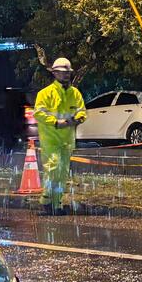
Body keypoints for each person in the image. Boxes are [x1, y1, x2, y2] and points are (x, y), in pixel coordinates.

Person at [32, 57, 87, 215]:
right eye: (62, 73)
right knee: (53, 169)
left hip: (67, 141)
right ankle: (46, 200)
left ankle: (57, 205)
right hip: (51, 140)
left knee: (62, 174)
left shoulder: (74, 93)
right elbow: (39, 113)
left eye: (67, 72)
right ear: (54, 73)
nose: (66, 75)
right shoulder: (46, 93)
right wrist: (56, 122)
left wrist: (78, 118)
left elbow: (82, 110)